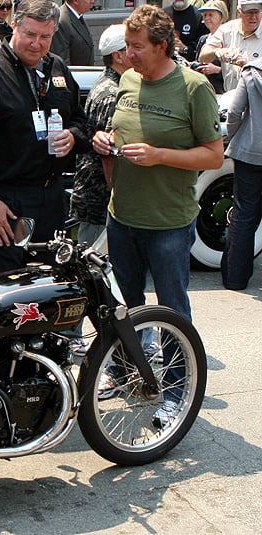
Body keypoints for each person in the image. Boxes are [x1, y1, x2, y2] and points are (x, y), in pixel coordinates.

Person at [92, 5, 223, 423]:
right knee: (123, 307)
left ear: (163, 46)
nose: (128, 54)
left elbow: (214, 156)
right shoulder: (128, 80)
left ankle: (178, 392)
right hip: (122, 215)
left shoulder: (193, 87)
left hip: (168, 221)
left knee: (172, 312)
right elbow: (123, 130)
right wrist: (105, 140)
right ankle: (131, 373)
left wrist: (159, 156)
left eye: (136, 47)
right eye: (127, 46)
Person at [0, 0, 87, 280]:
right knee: (3, 285)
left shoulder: (57, 69)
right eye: (30, 34)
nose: (36, 44)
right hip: (6, 199)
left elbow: (80, 119)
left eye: (45, 37)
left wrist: (73, 137)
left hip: (50, 196)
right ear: (14, 25)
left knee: (52, 283)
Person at [69, 24, 130, 247]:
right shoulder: (112, 93)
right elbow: (108, 151)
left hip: (95, 192)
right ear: (118, 55)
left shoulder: (109, 82)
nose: (134, 52)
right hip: (99, 195)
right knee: (97, 266)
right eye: (129, 47)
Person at [221, 57, 262, 290]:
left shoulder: (251, 72)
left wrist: (231, 138)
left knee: (244, 215)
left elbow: (234, 114)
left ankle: (235, 278)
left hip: (250, 151)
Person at [199, 0, 262, 91]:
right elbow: (203, 57)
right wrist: (216, 52)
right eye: (248, 12)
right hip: (230, 95)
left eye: (257, 12)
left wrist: (249, 67)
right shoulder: (226, 30)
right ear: (239, 11)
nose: (253, 17)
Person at [191, 0, 229, 94]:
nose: (207, 18)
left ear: (222, 16)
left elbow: (237, 70)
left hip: (223, 91)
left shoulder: (230, 39)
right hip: (203, 90)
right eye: (205, 15)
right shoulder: (203, 39)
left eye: (211, 15)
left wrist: (218, 70)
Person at [50, 0, 95, 66]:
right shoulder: (61, 22)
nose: (93, 1)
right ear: (76, 1)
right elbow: (62, 62)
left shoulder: (78, 17)